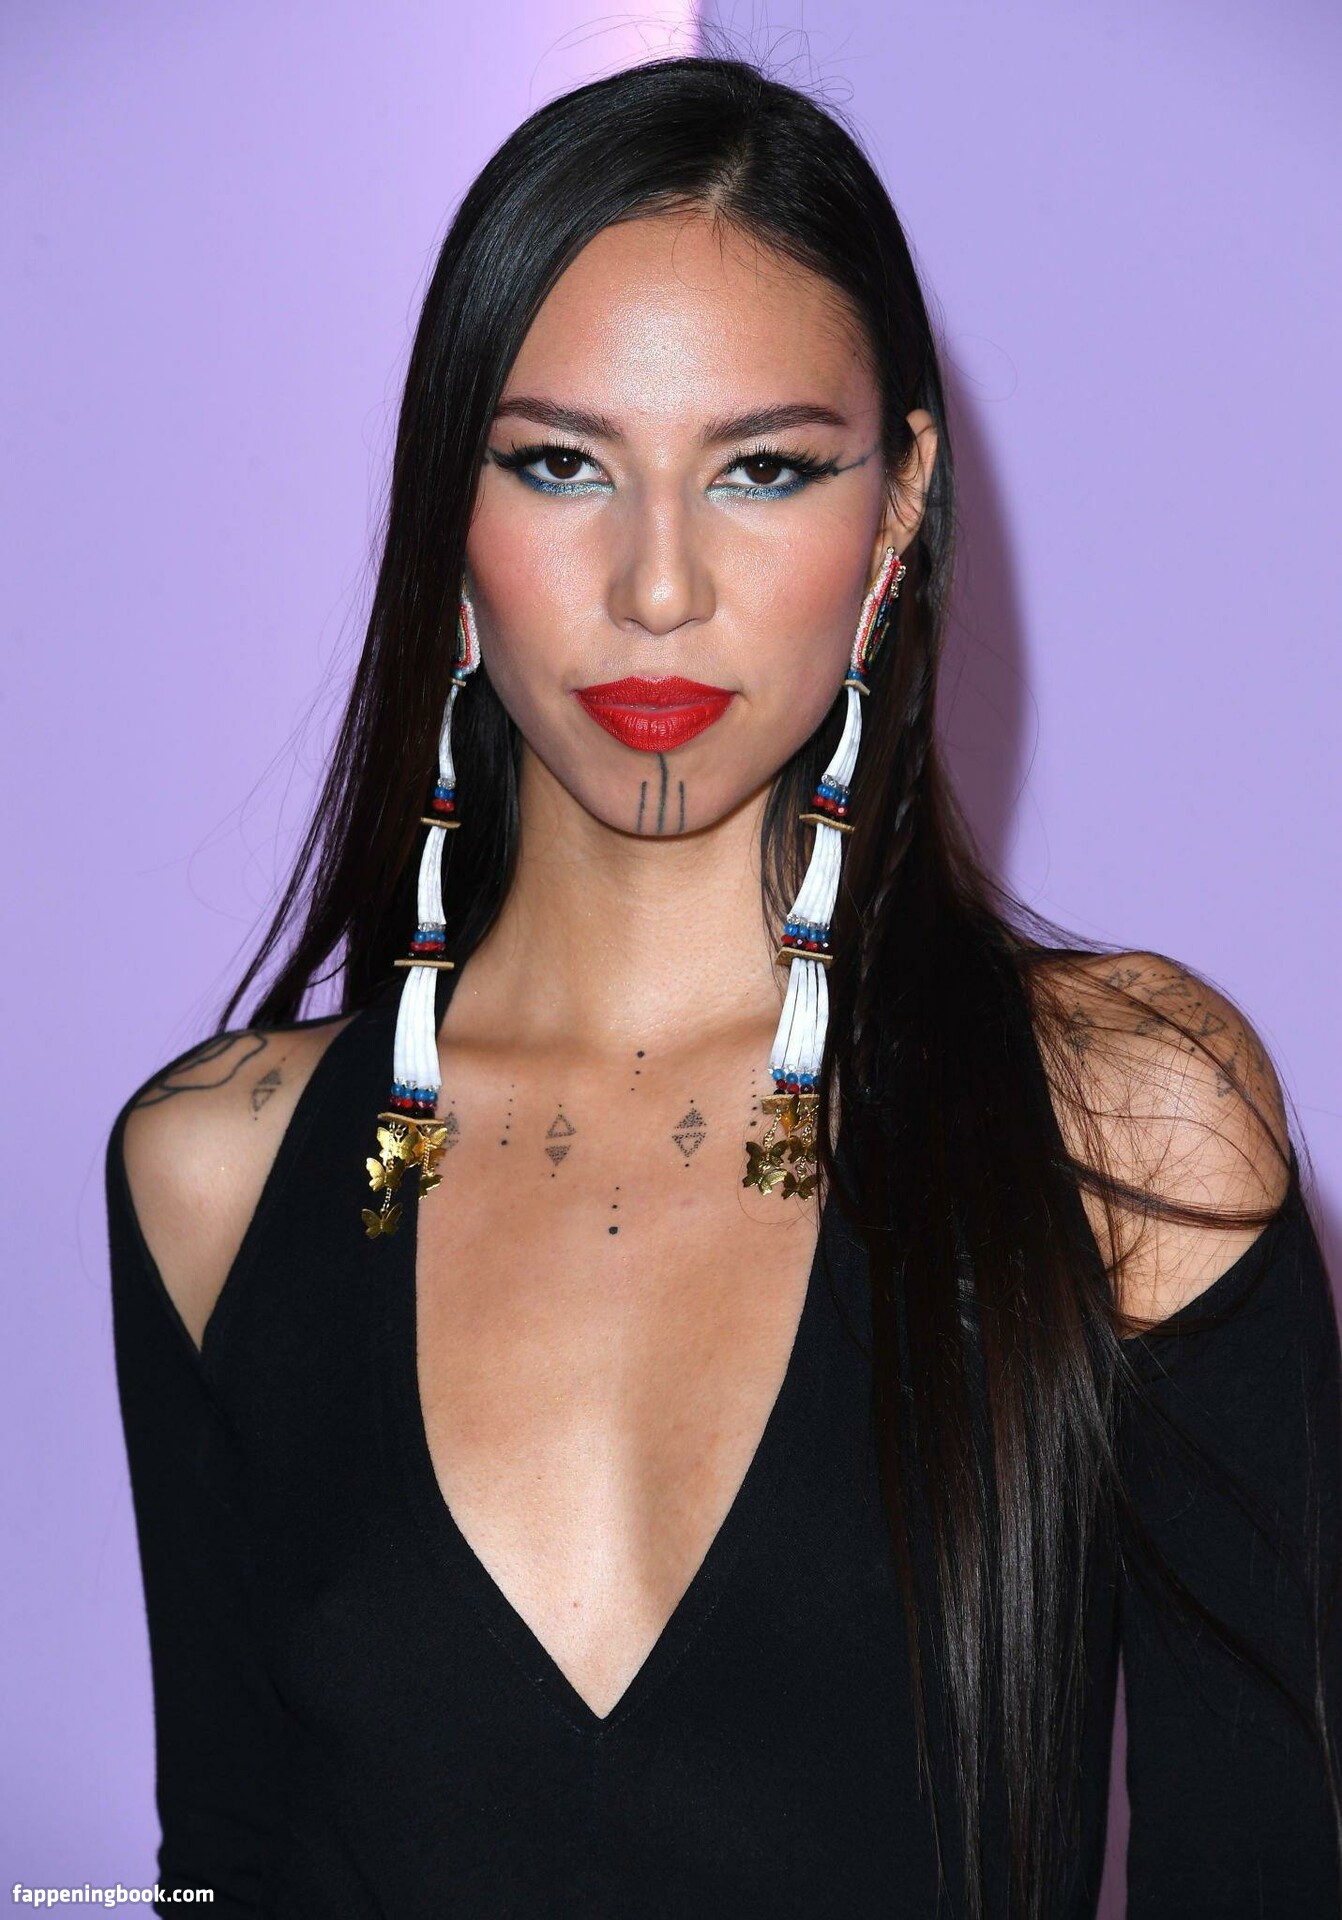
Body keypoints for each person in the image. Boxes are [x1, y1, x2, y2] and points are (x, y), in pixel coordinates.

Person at [106, 52, 1342, 1920]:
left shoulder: (1130, 1126)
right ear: (448, 508)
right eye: (559, 463)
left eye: (762, 468)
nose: (658, 585)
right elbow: (218, 1873)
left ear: (895, 507)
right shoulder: (212, 1171)